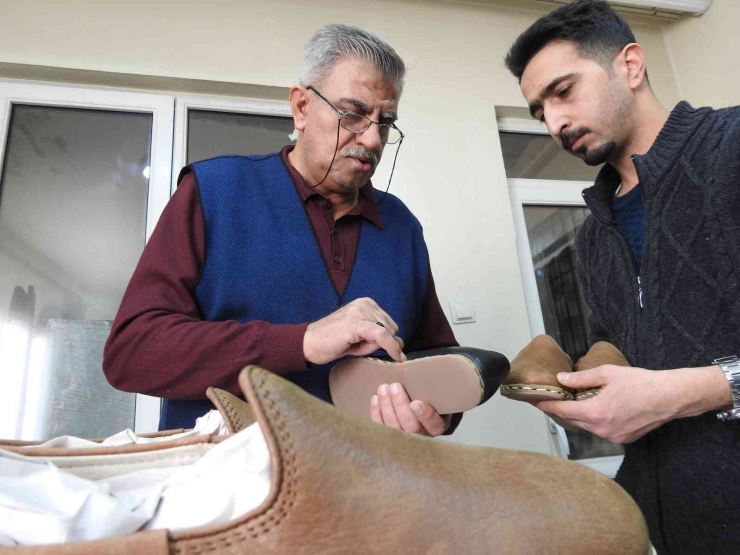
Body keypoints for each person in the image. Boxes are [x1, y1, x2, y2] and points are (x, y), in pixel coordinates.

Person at [103, 23, 459, 437]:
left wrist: (439, 413)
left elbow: (439, 360)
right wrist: (303, 341)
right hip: (224, 487)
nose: (373, 138)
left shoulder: (403, 228)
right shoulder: (213, 191)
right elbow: (132, 351)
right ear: (302, 107)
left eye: (385, 121)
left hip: (367, 480)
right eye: (354, 114)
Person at [504, 1, 740, 553]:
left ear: (630, 66)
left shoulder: (733, 149)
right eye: (540, 111)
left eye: (563, 91)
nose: (555, 122)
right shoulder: (593, 239)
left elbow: (669, 393)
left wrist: (685, 392)